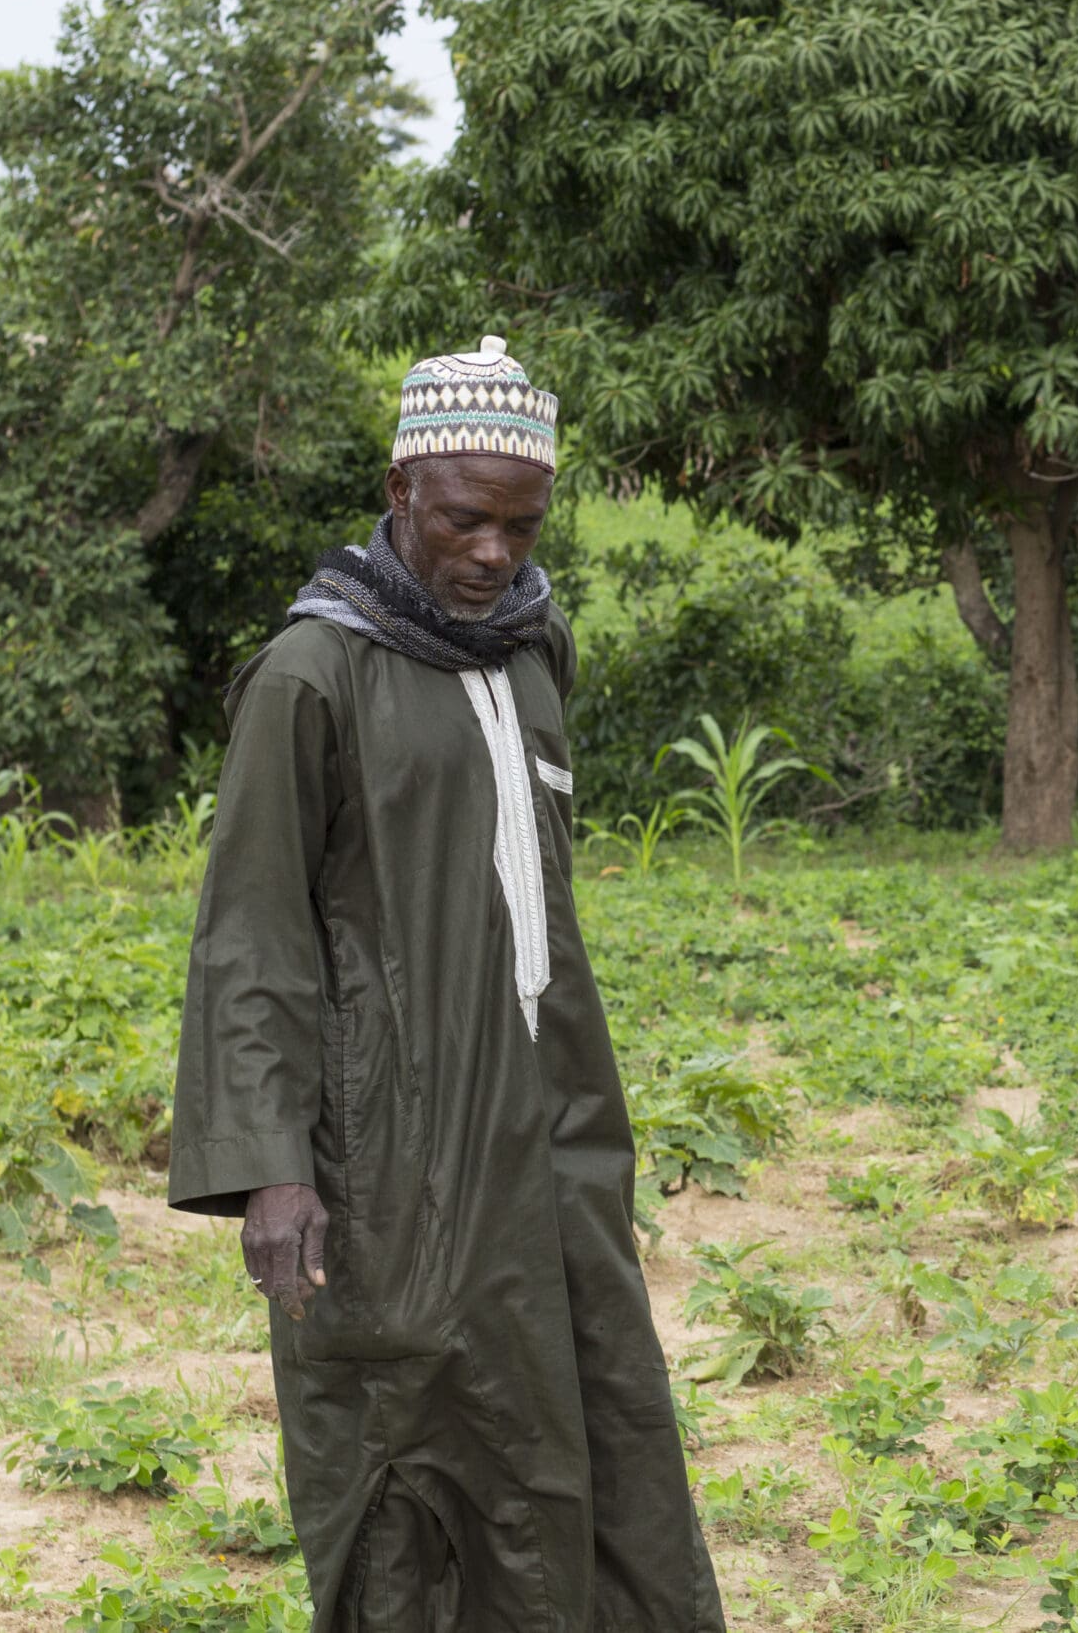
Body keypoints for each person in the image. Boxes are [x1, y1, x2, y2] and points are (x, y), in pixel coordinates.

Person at [166, 337, 726, 1632]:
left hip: (557, 1123)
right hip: (390, 1147)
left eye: (521, 528)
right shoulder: (312, 674)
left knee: (590, 1410)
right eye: (466, 519)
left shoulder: (533, 649)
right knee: (409, 1446)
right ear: (401, 489)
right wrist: (272, 1167)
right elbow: (251, 934)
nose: (492, 554)